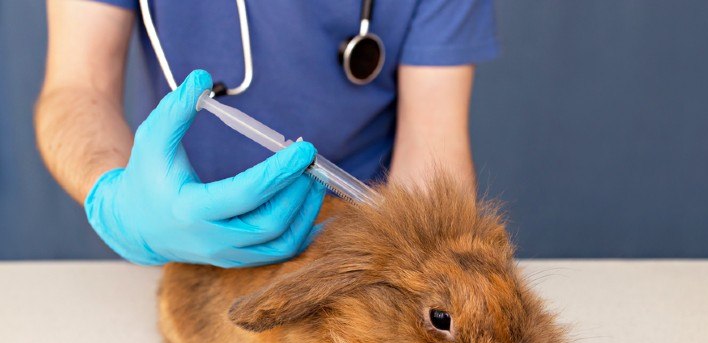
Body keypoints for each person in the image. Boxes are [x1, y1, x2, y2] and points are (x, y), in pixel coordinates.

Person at [35, 0, 499, 267]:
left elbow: (433, 144)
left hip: (354, 255)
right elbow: (78, 87)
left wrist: (420, 272)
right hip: (178, 253)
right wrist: (120, 200)